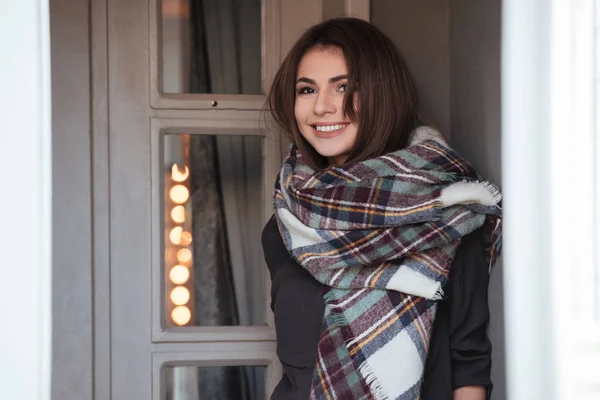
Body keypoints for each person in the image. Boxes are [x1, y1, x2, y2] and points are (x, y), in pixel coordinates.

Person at [262, 17, 502, 400]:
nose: (323, 107)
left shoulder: (445, 210)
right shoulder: (288, 222)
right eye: (307, 90)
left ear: (382, 92)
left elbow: (468, 362)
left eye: (344, 88)